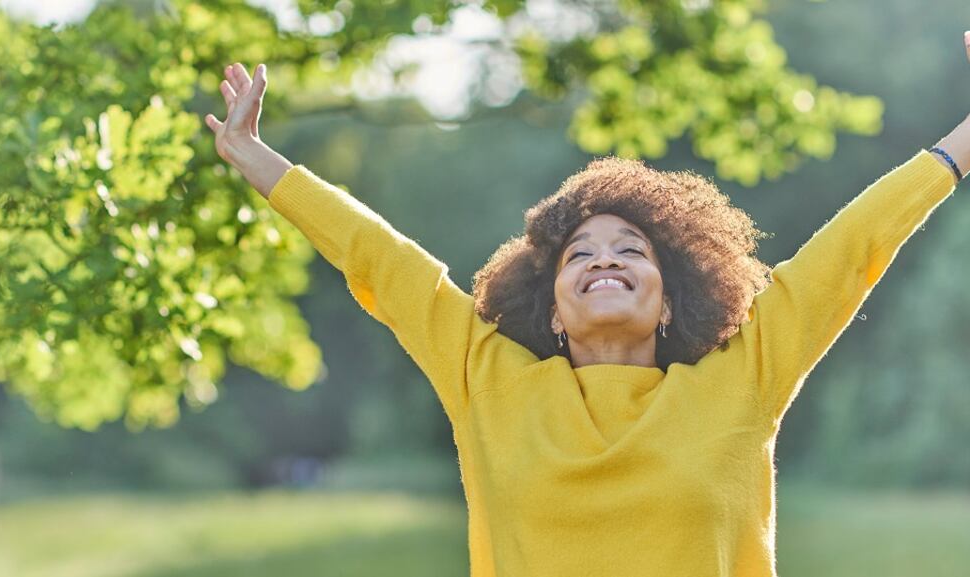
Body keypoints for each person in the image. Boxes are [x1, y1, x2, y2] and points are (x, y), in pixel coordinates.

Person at [203, 33, 970, 576]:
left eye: (632, 250)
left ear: (672, 302)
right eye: (582, 254)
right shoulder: (488, 381)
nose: (606, 257)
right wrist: (256, 157)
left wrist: (961, 146)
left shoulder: (740, 384)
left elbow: (850, 253)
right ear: (552, 308)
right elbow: (381, 260)